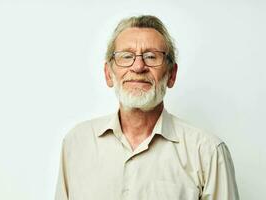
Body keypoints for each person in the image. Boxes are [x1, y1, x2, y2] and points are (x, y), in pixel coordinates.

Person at [55, 15, 239, 200]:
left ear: (171, 74)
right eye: (126, 56)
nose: (138, 66)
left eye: (151, 57)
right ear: (108, 74)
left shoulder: (207, 152)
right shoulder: (77, 143)